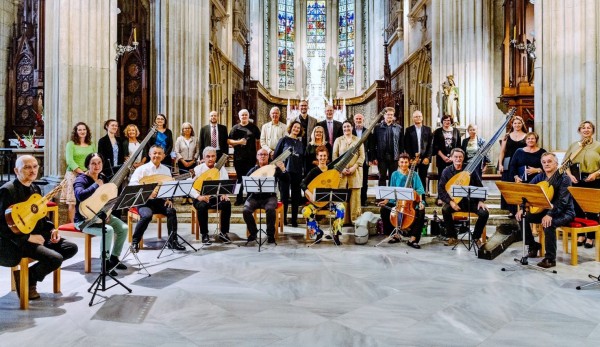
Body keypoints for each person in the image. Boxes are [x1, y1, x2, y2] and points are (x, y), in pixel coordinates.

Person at [0, 155, 78, 300]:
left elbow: (40, 216)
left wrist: (52, 230)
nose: (32, 170)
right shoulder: (7, 191)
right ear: (16, 170)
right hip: (16, 240)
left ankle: (27, 277)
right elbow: (2, 226)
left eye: (35, 166)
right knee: (55, 258)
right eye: (27, 167)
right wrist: (28, 237)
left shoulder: (35, 188)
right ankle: (29, 281)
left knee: (71, 248)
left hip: (36, 235)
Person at [516, 152, 575, 268]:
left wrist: (550, 214)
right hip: (544, 211)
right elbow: (528, 193)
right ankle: (533, 246)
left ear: (556, 163)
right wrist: (523, 208)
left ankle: (550, 258)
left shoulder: (565, 179)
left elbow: (562, 202)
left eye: (549, 161)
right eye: (544, 162)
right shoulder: (540, 177)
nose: (546, 164)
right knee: (522, 218)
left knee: (548, 223)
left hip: (565, 212)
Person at [73, 153, 127, 276]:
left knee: (123, 228)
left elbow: (108, 198)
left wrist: (108, 213)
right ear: (87, 165)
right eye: (93, 163)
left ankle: (114, 258)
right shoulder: (81, 179)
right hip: (84, 219)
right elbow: (80, 195)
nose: (97, 166)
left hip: (101, 214)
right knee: (107, 231)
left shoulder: (103, 176)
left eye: (99, 163)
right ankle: (105, 263)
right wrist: (96, 184)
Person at [129, 145, 184, 252]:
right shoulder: (141, 169)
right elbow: (132, 185)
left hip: (159, 201)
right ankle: (135, 242)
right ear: (150, 154)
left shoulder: (166, 170)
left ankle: (172, 241)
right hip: (144, 201)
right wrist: (147, 194)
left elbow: (169, 185)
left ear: (163, 156)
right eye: (154, 153)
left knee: (171, 211)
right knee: (147, 215)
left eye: (159, 153)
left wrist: (168, 199)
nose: (157, 155)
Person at [438, 148, 489, 247]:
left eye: (460, 157)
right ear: (451, 158)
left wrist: (481, 201)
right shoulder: (446, 171)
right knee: (445, 209)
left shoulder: (470, 170)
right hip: (456, 202)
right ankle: (452, 237)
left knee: (484, 213)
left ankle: (475, 238)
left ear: (463, 158)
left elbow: (479, 186)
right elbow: (441, 189)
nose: (458, 159)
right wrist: (451, 202)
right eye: (456, 157)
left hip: (471, 202)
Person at [564, 121, 600, 248]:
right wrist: (569, 175)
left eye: (589, 127)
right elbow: (565, 164)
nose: (586, 130)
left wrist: (595, 174)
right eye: (583, 128)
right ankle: (581, 234)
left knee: (591, 209)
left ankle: (590, 237)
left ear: (593, 131)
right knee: (576, 207)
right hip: (576, 179)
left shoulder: (598, 146)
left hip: (593, 179)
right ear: (579, 131)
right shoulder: (574, 145)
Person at [378, 153, 426, 248]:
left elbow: (420, 190)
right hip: (398, 202)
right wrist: (386, 200)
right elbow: (392, 189)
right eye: (402, 162)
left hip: (411, 203)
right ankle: (395, 235)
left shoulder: (414, 175)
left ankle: (413, 238)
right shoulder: (394, 174)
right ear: (398, 163)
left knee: (421, 211)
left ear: (409, 163)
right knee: (384, 210)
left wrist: (420, 202)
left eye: (406, 162)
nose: (404, 164)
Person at [301, 146, 345, 245]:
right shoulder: (314, 171)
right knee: (305, 211)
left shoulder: (332, 170)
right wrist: (309, 194)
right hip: (316, 203)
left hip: (329, 202)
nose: (322, 158)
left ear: (327, 157)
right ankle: (318, 233)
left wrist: (339, 177)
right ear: (317, 157)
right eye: (320, 156)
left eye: (324, 156)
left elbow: (335, 184)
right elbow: (302, 184)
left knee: (341, 207)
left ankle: (335, 233)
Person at [243, 148, 287, 244]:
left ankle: (270, 235)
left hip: (269, 197)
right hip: (254, 197)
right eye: (260, 154)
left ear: (268, 157)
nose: (262, 156)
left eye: (265, 154)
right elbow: (245, 184)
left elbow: (287, 180)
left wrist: (283, 169)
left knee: (271, 209)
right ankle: (254, 232)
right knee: (246, 210)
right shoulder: (253, 170)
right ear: (257, 156)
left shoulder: (274, 169)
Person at [191, 147, 231, 245]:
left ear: (216, 157)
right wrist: (198, 196)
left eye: (213, 156)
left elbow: (226, 183)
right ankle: (204, 234)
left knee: (227, 203)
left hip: (216, 197)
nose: (210, 159)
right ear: (203, 158)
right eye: (208, 156)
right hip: (201, 197)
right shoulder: (198, 169)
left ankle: (223, 233)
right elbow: (189, 187)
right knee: (202, 206)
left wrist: (224, 193)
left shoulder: (221, 168)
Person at [60, 122, 97, 223]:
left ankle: (85, 223)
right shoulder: (71, 144)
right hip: (74, 174)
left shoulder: (91, 144)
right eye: (79, 130)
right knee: (72, 201)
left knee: (87, 199)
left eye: (84, 129)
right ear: (76, 132)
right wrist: (82, 172)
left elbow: (95, 159)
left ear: (87, 131)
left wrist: (90, 172)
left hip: (88, 174)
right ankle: (72, 225)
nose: (82, 131)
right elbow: (69, 160)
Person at [333, 120, 365, 222]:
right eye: (345, 127)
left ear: (352, 128)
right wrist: (341, 168)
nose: (346, 129)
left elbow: (362, 157)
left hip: (355, 172)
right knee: (342, 197)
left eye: (348, 126)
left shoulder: (358, 140)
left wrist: (353, 167)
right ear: (342, 129)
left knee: (355, 197)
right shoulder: (338, 140)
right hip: (341, 173)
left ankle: (354, 219)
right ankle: (343, 220)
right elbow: (335, 156)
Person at [274, 121, 305, 227]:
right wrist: (279, 170)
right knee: (284, 196)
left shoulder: (301, 143)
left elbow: (302, 159)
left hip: (297, 172)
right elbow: (276, 157)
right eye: (295, 127)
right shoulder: (283, 140)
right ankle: (283, 219)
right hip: (284, 172)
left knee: (296, 197)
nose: (296, 129)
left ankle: (294, 220)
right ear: (291, 128)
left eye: (298, 128)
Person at [228, 109, 261, 205]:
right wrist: (239, 142)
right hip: (239, 158)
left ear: (248, 116)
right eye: (242, 115)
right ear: (239, 117)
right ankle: (239, 198)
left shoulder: (253, 127)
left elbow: (258, 141)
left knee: (250, 178)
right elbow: (229, 141)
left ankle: (249, 198)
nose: (244, 116)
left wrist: (258, 154)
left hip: (251, 157)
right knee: (239, 178)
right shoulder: (235, 128)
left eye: (246, 115)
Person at [498, 115, 527, 213]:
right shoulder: (507, 136)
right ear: (512, 124)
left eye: (519, 123)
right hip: (508, 161)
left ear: (522, 124)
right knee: (508, 185)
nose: (517, 125)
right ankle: (511, 209)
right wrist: (500, 165)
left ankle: (520, 209)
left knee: (518, 186)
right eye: (515, 123)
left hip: (521, 162)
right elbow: (502, 151)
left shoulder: (526, 136)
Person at [370, 107, 404, 186]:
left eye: (391, 115)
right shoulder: (377, 127)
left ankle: (392, 197)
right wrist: (373, 157)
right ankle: (382, 197)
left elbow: (401, 144)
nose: (390, 116)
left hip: (394, 157)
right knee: (382, 177)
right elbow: (373, 144)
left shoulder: (399, 128)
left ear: (393, 116)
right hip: (381, 157)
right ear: (384, 115)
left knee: (393, 177)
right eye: (388, 114)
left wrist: (401, 157)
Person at [404, 110, 433, 197]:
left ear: (422, 118)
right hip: (413, 159)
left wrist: (428, 157)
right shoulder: (409, 130)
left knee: (422, 178)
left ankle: (422, 198)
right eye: (416, 116)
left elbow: (430, 145)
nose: (418, 118)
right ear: (413, 118)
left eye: (419, 116)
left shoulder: (428, 129)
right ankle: (412, 198)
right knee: (412, 178)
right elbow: (407, 145)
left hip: (424, 159)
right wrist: (411, 158)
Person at [353, 113, 371, 206]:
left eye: (360, 119)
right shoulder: (350, 131)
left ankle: (363, 200)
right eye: (357, 119)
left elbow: (371, 146)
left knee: (364, 181)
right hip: (352, 160)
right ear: (354, 120)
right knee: (353, 180)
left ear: (363, 120)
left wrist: (371, 159)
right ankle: (354, 200)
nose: (359, 120)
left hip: (364, 159)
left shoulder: (368, 131)